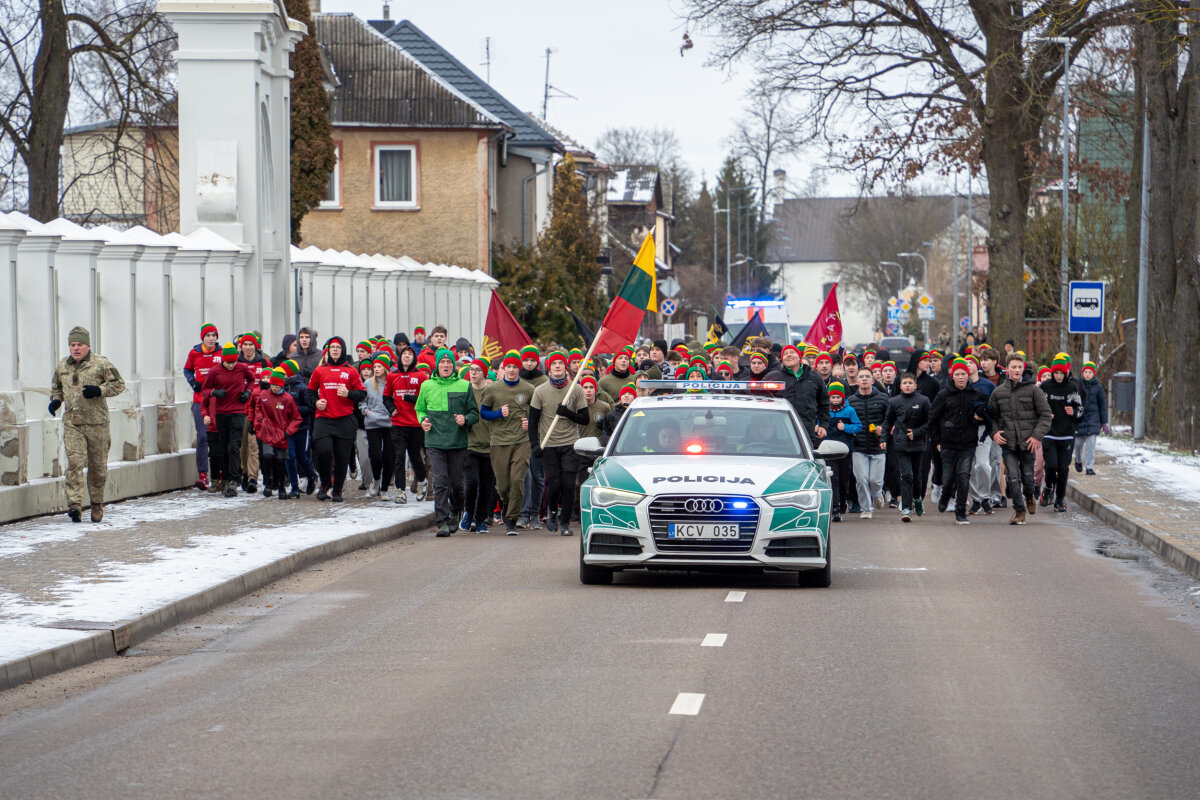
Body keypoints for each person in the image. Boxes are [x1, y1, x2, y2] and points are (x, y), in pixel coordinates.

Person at [49, 326, 125, 523]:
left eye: (79, 345)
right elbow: (57, 387)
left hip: (97, 424)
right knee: (74, 463)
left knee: (98, 468)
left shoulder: (101, 364)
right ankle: (74, 504)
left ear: (88, 346)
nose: (75, 348)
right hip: (73, 423)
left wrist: (99, 390)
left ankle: (97, 504)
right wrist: (56, 400)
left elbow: (119, 385)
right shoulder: (62, 366)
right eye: (72, 345)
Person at [416, 347, 479, 536]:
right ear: (437, 364)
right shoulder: (427, 385)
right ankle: (442, 521)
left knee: (457, 484)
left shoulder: (464, 385)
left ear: (453, 365)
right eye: (442, 362)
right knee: (441, 481)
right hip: (434, 441)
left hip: (457, 442)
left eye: (449, 362)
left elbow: (474, 414)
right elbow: (420, 409)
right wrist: (423, 420)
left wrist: (465, 420)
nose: (446, 365)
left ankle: (456, 510)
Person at [988, 352, 1052, 525]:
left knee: (1028, 478)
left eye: (1019, 367)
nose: (1016, 370)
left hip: (1028, 443)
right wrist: (994, 432)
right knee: (1013, 478)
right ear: (1007, 369)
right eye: (1013, 367)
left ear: (1023, 368)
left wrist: (1037, 436)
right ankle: (1019, 511)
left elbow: (1045, 415)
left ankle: (1030, 495)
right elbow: (991, 417)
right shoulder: (998, 392)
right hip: (1008, 443)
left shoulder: (1033, 390)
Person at [529, 351, 588, 536]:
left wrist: (567, 413)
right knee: (554, 484)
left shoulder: (575, 389)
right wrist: (534, 445)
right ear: (549, 368)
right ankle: (553, 511)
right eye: (553, 363)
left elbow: (585, 419)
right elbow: (532, 422)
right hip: (549, 444)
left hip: (570, 444)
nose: (557, 366)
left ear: (565, 368)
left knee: (569, 484)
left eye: (560, 363)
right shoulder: (540, 391)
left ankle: (565, 522)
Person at [306, 336, 366, 502]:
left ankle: (338, 489)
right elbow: (309, 392)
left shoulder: (351, 371)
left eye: (338, 348)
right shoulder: (320, 371)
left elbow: (362, 393)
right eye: (332, 347)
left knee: (342, 457)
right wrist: (316, 402)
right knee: (323, 452)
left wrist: (348, 394)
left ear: (343, 350)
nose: (335, 350)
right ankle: (325, 484)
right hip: (324, 419)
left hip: (345, 419)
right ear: (328, 350)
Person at [480, 350, 534, 535]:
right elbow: (483, 413)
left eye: (514, 367)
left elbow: (536, 413)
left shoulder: (528, 389)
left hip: (522, 441)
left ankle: (512, 519)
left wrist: (530, 422)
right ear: (503, 369)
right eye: (508, 367)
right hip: (499, 441)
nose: (511, 370)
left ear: (518, 368)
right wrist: (497, 414)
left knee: (517, 480)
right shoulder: (493, 389)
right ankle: (505, 504)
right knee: (503, 485)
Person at [930, 358, 989, 524]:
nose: (961, 377)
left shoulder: (975, 394)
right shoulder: (943, 395)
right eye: (957, 374)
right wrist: (937, 441)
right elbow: (932, 419)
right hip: (948, 443)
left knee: (963, 476)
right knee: (948, 477)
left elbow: (987, 412)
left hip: (968, 443)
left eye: (963, 373)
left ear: (968, 375)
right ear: (952, 376)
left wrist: (981, 415)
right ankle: (945, 495)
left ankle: (960, 511)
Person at [201, 342, 255, 498]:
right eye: (228, 362)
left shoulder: (242, 368)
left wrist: (248, 392)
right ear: (222, 360)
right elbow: (204, 390)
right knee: (223, 448)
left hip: (238, 412)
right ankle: (224, 479)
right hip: (221, 413)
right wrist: (214, 392)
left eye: (233, 362)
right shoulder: (215, 371)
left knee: (234, 447)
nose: (231, 365)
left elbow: (252, 381)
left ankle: (233, 480)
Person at [884, 373, 932, 522]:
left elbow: (930, 422)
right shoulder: (894, 401)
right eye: (904, 383)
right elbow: (887, 422)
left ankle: (917, 499)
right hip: (900, 444)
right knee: (906, 476)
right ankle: (906, 508)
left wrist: (917, 432)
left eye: (910, 383)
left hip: (918, 444)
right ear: (900, 386)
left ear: (915, 386)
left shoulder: (923, 401)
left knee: (917, 477)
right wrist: (883, 439)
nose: (907, 385)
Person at [1039, 354, 1083, 512]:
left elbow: (1081, 410)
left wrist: (1073, 412)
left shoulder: (1072, 388)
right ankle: (1049, 487)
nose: (1058, 376)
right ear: (1052, 373)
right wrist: (1045, 414)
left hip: (1067, 434)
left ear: (1066, 373)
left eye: (1061, 373)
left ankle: (1060, 499)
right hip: (1049, 433)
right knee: (1051, 465)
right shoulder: (1045, 387)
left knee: (1063, 468)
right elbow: (1037, 406)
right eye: (1056, 373)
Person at [386, 344, 428, 503]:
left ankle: (423, 483)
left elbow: (425, 399)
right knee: (399, 456)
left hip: (415, 423)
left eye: (410, 354)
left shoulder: (421, 376)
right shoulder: (392, 375)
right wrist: (391, 408)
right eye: (404, 353)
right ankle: (400, 491)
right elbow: (386, 396)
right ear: (400, 356)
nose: (407, 356)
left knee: (415, 457)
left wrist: (409, 398)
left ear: (414, 357)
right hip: (398, 423)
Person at [183, 322, 222, 490]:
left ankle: (220, 474)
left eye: (214, 336)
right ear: (203, 338)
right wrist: (193, 383)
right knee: (203, 436)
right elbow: (187, 370)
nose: (211, 339)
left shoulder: (221, 353)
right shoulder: (195, 353)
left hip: (218, 401)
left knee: (219, 437)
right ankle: (203, 475)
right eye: (208, 336)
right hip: (200, 400)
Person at [766, 344, 830, 444]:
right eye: (785, 354)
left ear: (799, 356)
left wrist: (823, 425)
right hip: (779, 433)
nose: (789, 355)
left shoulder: (814, 377)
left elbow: (824, 404)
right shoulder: (774, 377)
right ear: (782, 359)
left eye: (792, 352)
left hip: (807, 431)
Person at [253, 368, 302, 499]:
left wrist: (287, 432)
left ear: (282, 385)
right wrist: (261, 420)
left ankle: (281, 486)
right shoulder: (263, 395)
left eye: (276, 385)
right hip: (267, 432)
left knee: (280, 460)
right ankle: (268, 483)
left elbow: (296, 418)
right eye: (272, 385)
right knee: (267, 456)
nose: (274, 388)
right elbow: (257, 409)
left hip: (281, 434)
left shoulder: (288, 399)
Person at [847, 369, 889, 518]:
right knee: (861, 479)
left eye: (867, 377)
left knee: (875, 481)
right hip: (858, 446)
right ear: (857, 381)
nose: (864, 379)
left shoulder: (884, 398)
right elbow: (846, 421)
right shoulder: (851, 401)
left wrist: (882, 429)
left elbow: (890, 419)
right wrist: (849, 430)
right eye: (861, 377)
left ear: (873, 380)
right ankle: (866, 508)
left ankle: (877, 493)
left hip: (878, 446)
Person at [462, 358, 494, 533]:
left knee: (487, 485)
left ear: (485, 373)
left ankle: (480, 519)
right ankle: (468, 512)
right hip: (470, 445)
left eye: (477, 370)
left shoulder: (492, 391)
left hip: (490, 445)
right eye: (471, 369)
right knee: (472, 482)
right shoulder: (464, 390)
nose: (472, 373)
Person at [825, 381, 861, 522]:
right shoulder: (825, 410)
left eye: (837, 397)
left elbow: (858, 427)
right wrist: (818, 429)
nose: (835, 400)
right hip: (828, 449)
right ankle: (836, 508)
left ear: (842, 397)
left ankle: (844, 499)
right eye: (832, 397)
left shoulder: (849, 410)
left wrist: (845, 427)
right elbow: (818, 423)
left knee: (844, 478)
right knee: (833, 477)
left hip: (845, 449)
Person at [361, 354, 394, 498]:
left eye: (379, 366)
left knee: (389, 457)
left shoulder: (392, 382)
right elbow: (361, 402)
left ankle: (385, 488)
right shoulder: (368, 383)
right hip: (373, 423)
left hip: (390, 423)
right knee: (375, 456)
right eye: (375, 366)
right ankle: (376, 481)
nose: (376, 369)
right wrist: (367, 412)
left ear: (386, 368)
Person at [1074, 361, 1109, 475]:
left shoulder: (1098, 388)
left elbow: (1102, 406)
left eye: (1090, 372)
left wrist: (1104, 422)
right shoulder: (1077, 385)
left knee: (1090, 446)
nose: (1087, 374)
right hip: (1079, 420)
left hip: (1093, 421)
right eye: (1085, 372)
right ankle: (1078, 461)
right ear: (1082, 373)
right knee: (1077, 444)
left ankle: (1089, 467)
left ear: (1094, 374)